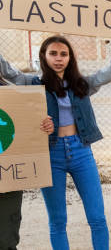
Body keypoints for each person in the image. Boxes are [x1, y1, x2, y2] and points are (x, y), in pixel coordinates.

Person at [0, 23, 111, 250]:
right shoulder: (34, 84)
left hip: (81, 152)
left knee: (97, 217)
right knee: (58, 221)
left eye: (64, 54)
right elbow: (7, 72)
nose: (58, 58)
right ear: (43, 56)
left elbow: (107, 73)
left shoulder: (81, 84)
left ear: (70, 58)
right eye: (53, 53)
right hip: (51, 156)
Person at [0, 76, 54, 250]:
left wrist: (44, 126)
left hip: (7, 180)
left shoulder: (15, 95)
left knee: (6, 239)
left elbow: (29, 128)